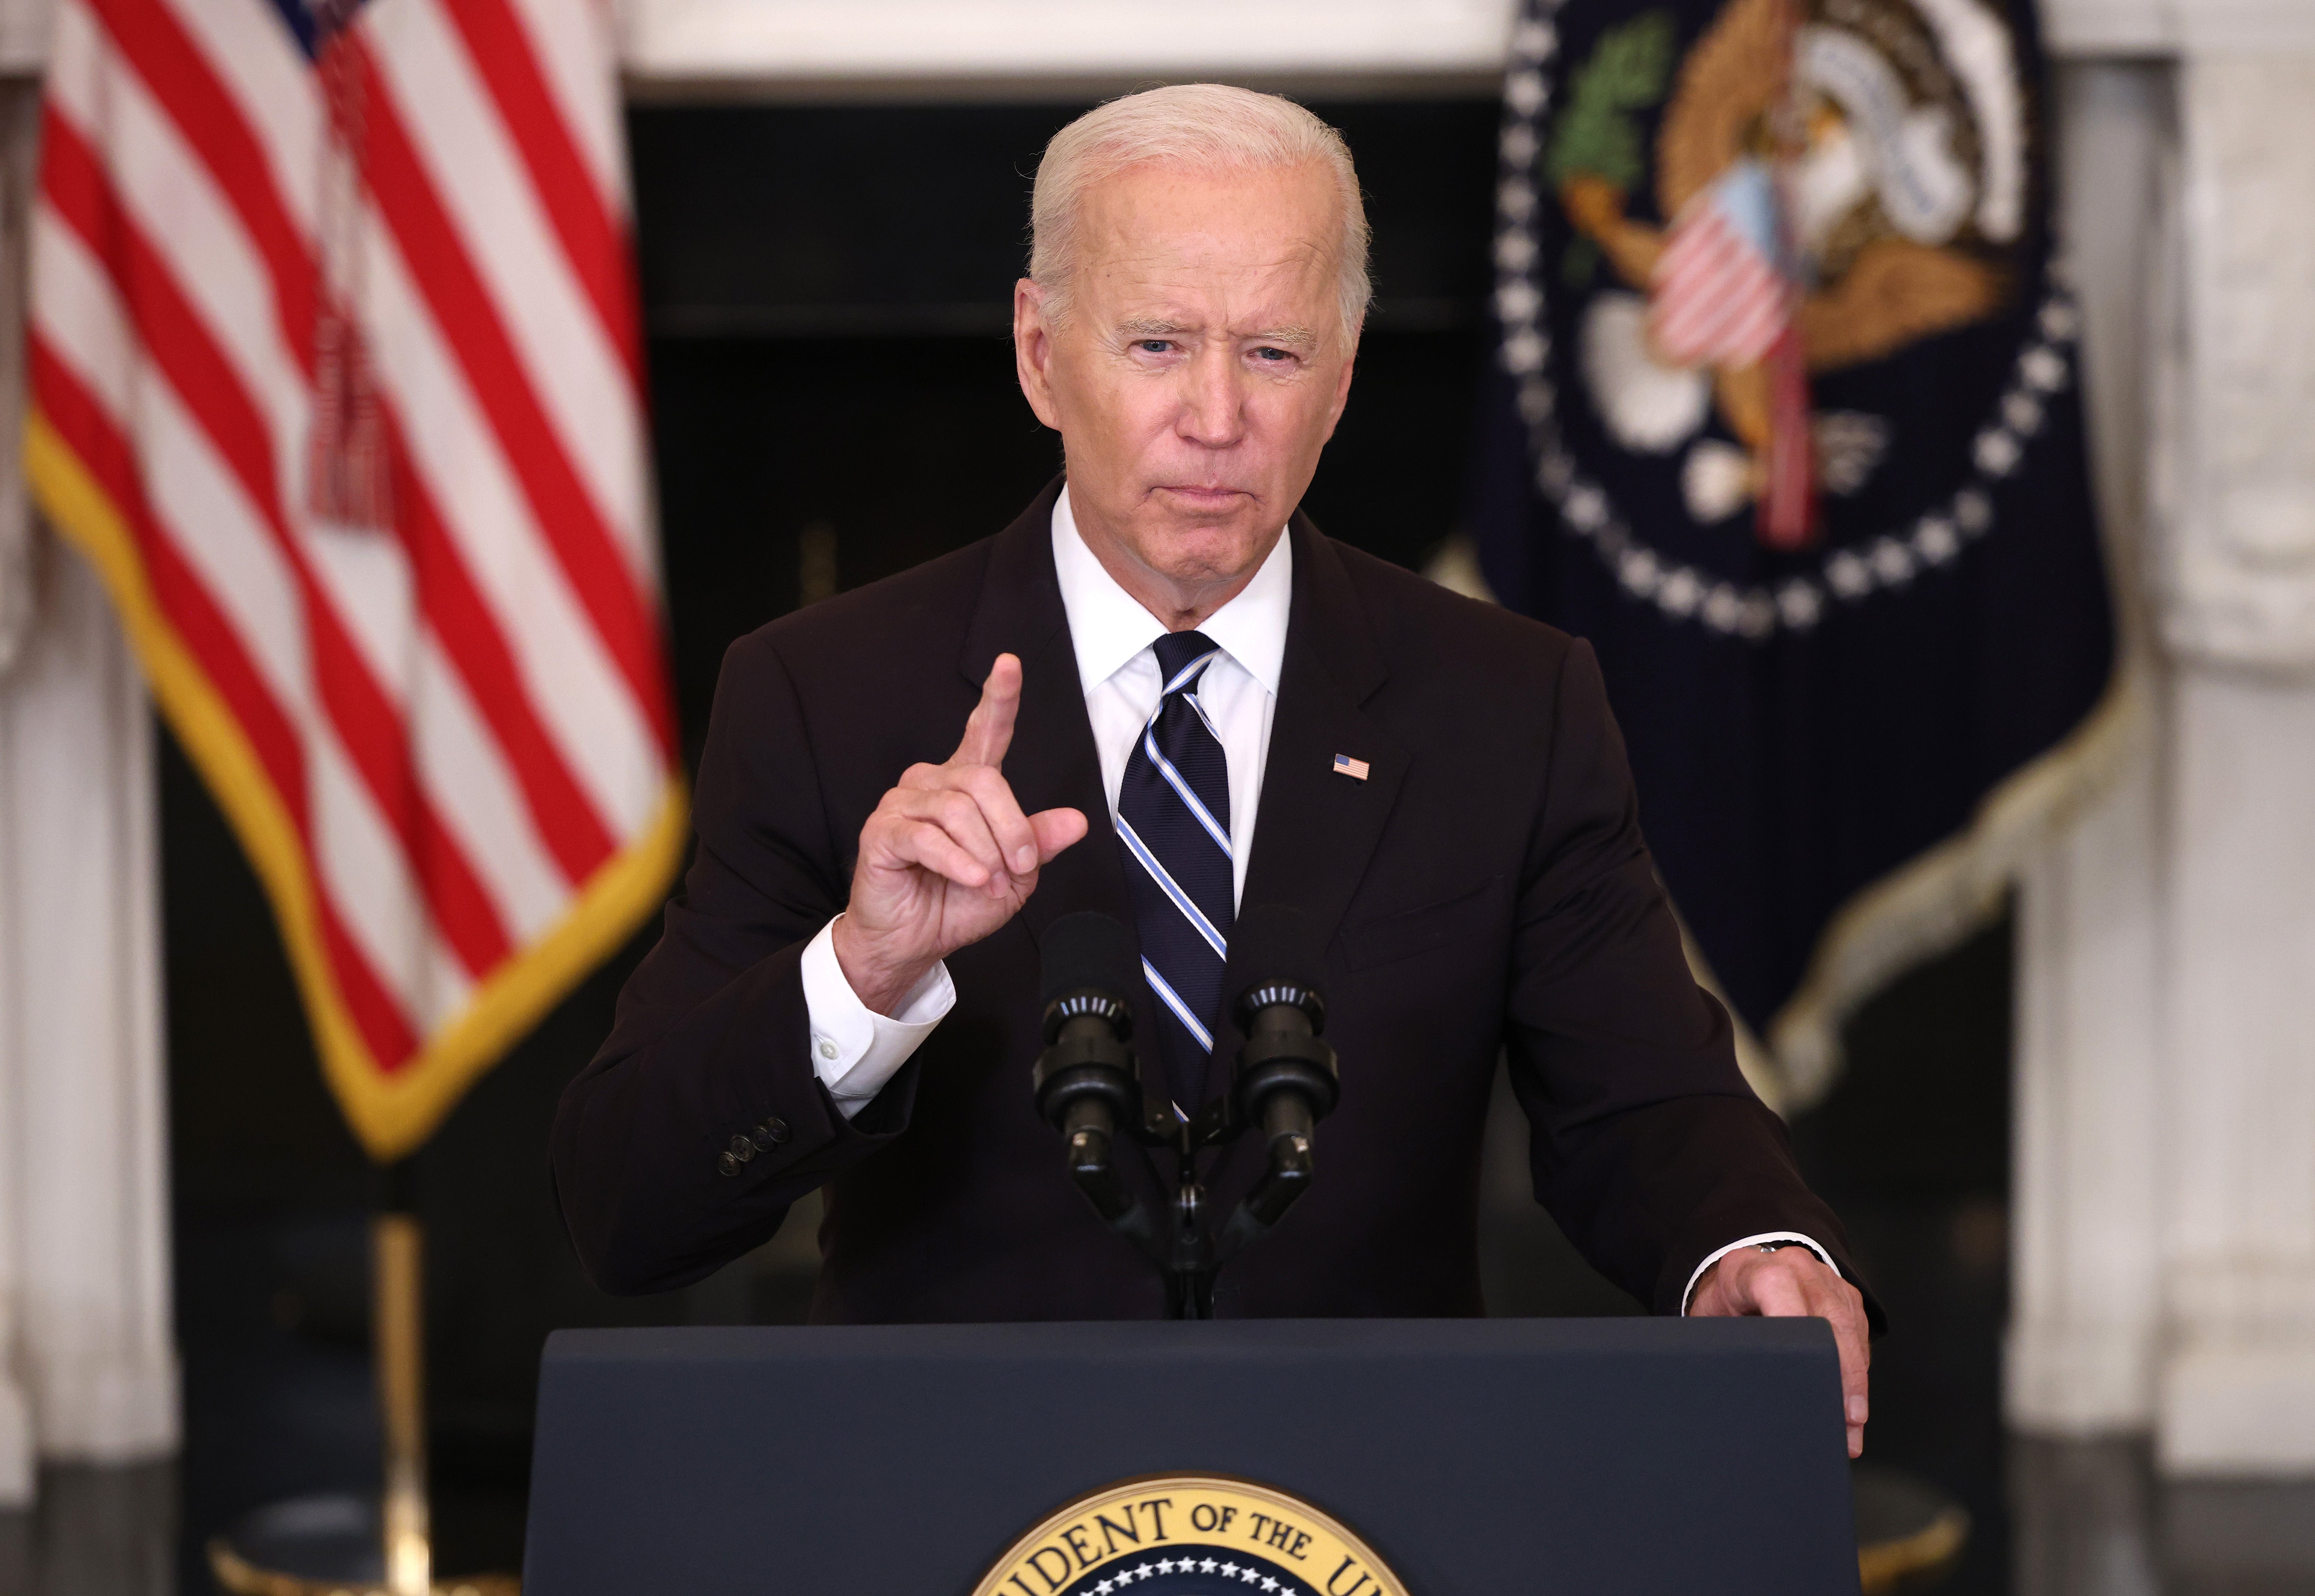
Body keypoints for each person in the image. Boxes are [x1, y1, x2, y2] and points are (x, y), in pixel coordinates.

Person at [554, 84, 1877, 1456]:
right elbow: (628, 1205)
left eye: (1271, 351)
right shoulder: (825, 692)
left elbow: (1642, 1093)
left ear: (1345, 372)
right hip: (957, 1501)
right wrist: (860, 973)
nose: (1215, 415)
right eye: (1154, 343)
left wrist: (1744, 1244)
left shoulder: (1506, 703)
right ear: (1037, 352)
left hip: (1369, 1502)